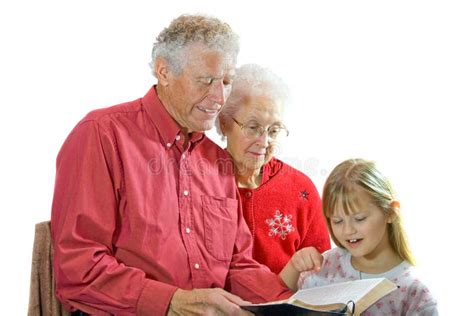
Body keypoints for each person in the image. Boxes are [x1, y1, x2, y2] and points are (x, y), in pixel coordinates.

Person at [51, 14, 292, 316]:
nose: (219, 97)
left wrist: (297, 304)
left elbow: (235, 265)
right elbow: (79, 266)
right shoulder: (101, 134)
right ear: (163, 72)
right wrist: (171, 302)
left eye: (227, 81)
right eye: (206, 81)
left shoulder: (217, 161)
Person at [278, 158, 438, 315]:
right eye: (337, 221)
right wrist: (293, 267)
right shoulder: (323, 268)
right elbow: (275, 301)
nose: (348, 230)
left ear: (390, 212)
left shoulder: (414, 291)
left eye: (359, 219)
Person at [216, 64, 330, 274]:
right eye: (253, 128)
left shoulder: (300, 188)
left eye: (274, 130)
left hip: (287, 305)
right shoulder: (199, 183)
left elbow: (322, 272)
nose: (264, 141)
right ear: (224, 123)